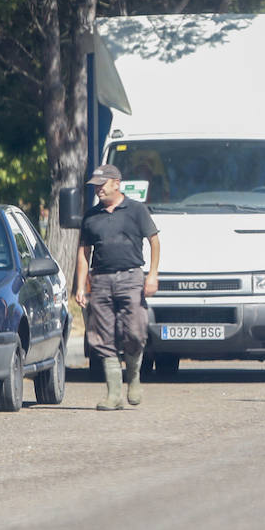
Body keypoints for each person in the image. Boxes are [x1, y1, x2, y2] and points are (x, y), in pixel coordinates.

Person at [75, 163, 161, 410]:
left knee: (135, 331)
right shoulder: (91, 216)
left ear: (116, 184)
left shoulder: (136, 210)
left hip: (131, 277)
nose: (98, 190)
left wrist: (152, 275)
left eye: (102, 185)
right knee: (102, 337)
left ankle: (133, 377)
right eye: (95, 186)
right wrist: (81, 286)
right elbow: (84, 252)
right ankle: (114, 394)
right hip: (101, 280)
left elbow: (154, 242)